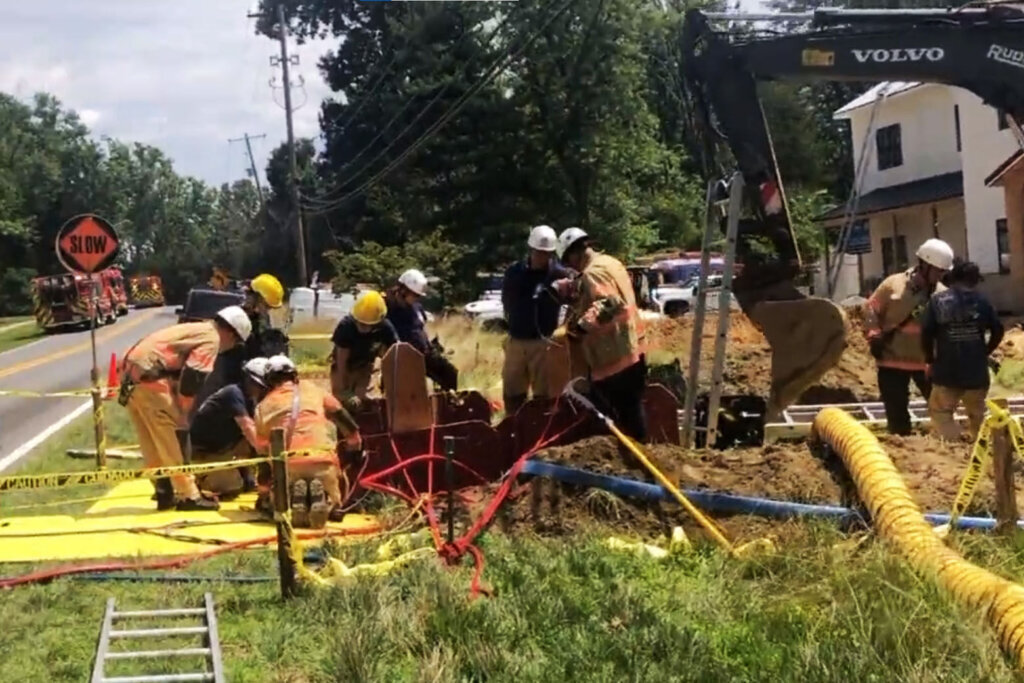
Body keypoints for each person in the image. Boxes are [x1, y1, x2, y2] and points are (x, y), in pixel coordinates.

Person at [120, 305, 252, 511]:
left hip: (132, 376)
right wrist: (183, 414)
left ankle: (164, 489)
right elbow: (193, 377)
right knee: (174, 435)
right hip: (152, 377)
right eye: (235, 342)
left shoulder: (196, 328)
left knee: (151, 438)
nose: (231, 347)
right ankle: (189, 496)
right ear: (230, 332)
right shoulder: (212, 338)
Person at [553, 227, 647, 445]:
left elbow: (609, 302)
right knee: (633, 412)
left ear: (575, 253)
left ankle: (633, 464)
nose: (571, 266)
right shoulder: (610, 262)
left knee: (618, 419)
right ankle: (639, 457)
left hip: (613, 356)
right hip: (632, 349)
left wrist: (581, 327)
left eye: (569, 261)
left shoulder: (593, 272)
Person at [254, 354, 363, 528]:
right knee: (337, 493)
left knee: (276, 502)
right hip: (323, 460)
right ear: (295, 376)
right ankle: (331, 503)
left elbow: (262, 456)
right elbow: (341, 415)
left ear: (268, 382)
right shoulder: (314, 390)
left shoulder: (262, 407)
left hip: (289, 465)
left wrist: (264, 494)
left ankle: (293, 499)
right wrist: (354, 442)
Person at [864, 238, 954, 435]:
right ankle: (902, 447)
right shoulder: (893, 285)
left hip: (926, 366)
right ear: (924, 264)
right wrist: (873, 334)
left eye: (943, 272)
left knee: (941, 411)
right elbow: (872, 308)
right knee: (897, 417)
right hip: (891, 362)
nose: (941, 275)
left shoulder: (943, 295)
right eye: (939, 270)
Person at [922, 259, 1004, 440]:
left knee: (940, 411)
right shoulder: (983, 302)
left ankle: (955, 446)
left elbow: (926, 333)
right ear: (974, 280)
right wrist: (985, 351)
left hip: (946, 372)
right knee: (978, 415)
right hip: (976, 373)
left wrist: (929, 360)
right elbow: (998, 330)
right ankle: (981, 451)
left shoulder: (937, 302)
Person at [500, 225, 571, 414]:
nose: (543, 257)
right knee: (513, 389)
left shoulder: (559, 274)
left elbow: (572, 303)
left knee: (544, 392)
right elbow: (507, 301)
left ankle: (540, 428)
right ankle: (513, 425)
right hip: (517, 339)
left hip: (544, 341)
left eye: (547, 253)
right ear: (531, 250)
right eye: (539, 253)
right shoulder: (514, 273)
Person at [188, 357, 270, 498]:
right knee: (232, 488)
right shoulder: (233, 394)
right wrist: (268, 456)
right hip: (203, 452)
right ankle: (195, 479)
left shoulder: (250, 399)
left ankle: (243, 474)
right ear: (247, 379)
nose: (260, 389)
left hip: (223, 447)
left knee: (254, 437)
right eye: (257, 384)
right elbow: (247, 428)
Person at [385, 268, 458, 391]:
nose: (416, 298)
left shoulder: (416, 308)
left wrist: (431, 345)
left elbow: (420, 329)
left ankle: (447, 404)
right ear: (402, 290)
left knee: (450, 372)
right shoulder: (388, 309)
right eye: (414, 295)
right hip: (402, 358)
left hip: (424, 354)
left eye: (418, 296)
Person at [330, 290, 398, 406]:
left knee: (364, 402)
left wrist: (388, 384)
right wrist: (345, 389)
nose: (363, 328)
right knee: (341, 404)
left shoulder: (385, 328)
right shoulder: (346, 327)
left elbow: (392, 355)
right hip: (344, 367)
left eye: (367, 325)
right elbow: (342, 361)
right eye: (360, 323)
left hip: (366, 366)